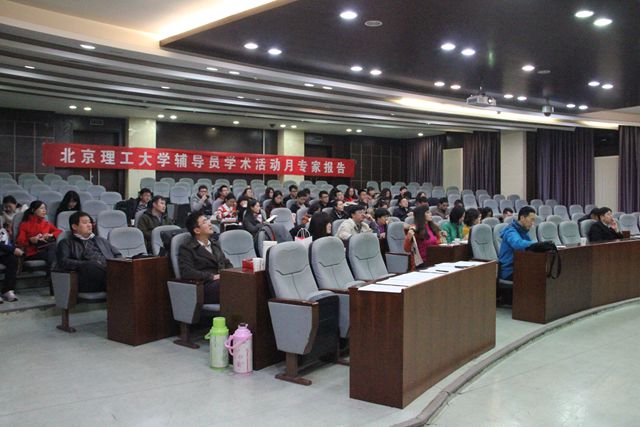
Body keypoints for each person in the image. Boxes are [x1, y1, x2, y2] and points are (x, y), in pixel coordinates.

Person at [56, 211, 122, 292]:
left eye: (90, 222)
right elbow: (63, 261)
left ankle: (118, 283)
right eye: (85, 223)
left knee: (134, 261)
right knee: (91, 265)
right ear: (74, 226)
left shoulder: (101, 240)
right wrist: (84, 264)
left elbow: (117, 255)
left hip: (109, 271)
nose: (89, 225)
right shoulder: (66, 243)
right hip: (87, 279)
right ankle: (118, 283)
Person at [179, 213, 232, 304]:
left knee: (244, 281)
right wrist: (212, 277)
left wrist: (231, 274)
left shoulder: (215, 244)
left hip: (221, 281)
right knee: (233, 286)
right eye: (204, 222)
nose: (210, 223)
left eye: (208, 220)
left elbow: (227, 263)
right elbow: (187, 272)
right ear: (197, 230)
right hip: (204, 286)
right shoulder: (187, 248)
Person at [16, 200, 61, 269]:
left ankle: (52, 271)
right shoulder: (25, 224)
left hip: (44, 249)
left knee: (53, 248)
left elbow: (59, 231)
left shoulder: (46, 223)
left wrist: (51, 235)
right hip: (31, 252)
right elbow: (19, 241)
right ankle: (53, 271)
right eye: (41, 208)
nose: (44, 210)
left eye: (45, 208)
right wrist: (30, 240)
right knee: (53, 251)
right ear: (33, 210)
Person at [498, 206, 536, 281]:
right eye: (531, 220)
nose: (532, 223)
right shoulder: (510, 231)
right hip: (509, 271)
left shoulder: (524, 231)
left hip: (520, 267)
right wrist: (536, 244)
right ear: (522, 218)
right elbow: (517, 244)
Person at [403, 205, 441, 269]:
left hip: (435, 259)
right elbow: (407, 249)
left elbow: (438, 243)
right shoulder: (414, 229)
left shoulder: (433, 227)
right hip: (422, 263)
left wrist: (442, 236)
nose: (431, 214)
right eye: (427, 212)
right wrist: (408, 238)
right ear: (421, 215)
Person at [0, 219, 23, 302]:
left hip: (2, 253)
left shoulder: (3, 231)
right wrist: (13, 249)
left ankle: (7, 290)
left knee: (12, 259)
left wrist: (14, 248)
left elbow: (7, 243)